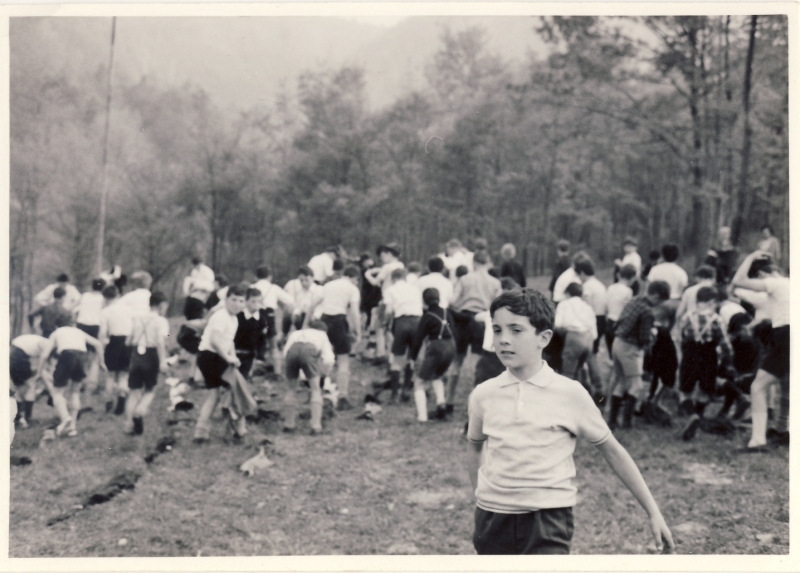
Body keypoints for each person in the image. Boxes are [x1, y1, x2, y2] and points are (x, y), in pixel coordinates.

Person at [466, 288, 673, 555]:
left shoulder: (570, 393)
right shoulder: (483, 394)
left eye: (516, 330)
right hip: (492, 519)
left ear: (543, 338)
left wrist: (653, 511)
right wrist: (481, 496)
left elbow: (613, 451)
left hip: (547, 519)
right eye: (497, 330)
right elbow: (474, 446)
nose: (503, 339)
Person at [731, 251, 790, 451]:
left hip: (786, 335)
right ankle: (783, 430)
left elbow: (738, 281)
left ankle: (757, 440)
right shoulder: (789, 285)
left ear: (762, 275)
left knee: (758, 387)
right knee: (786, 384)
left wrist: (750, 257)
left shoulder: (775, 283)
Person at [607, 281, 671, 430]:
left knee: (622, 381)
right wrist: (652, 335)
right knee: (636, 385)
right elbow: (643, 338)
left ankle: (612, 421)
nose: (658, 305)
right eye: (659, 301)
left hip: (617, 342)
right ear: (656, 296)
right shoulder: (647, 312)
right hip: (630, 348)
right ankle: (626, 423)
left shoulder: (634, 300)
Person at [446, 251, 502, 416]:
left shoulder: (464, 279)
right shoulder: (495, 282)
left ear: (474, 263)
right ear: (488, 263)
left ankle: (449, 401)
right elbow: (498, 304)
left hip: (463, 320)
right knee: (476, 364)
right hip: (482, 321)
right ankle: (474, 404)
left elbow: (452, 300)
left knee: (457, 361)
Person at [676, 286, 734, 440]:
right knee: (705, 391)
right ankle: (698, 417)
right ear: (711, 302)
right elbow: (725, 343)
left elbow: (681, 338)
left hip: (690, 355)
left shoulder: (686, 317)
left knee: (685, 391)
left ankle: (692, 415)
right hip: (709, 356)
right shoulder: (717, 319)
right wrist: (728, 360)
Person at [193, 284, 246, 443]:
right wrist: (228, 358)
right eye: (233, 300)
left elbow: (229, 341)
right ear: (226, 300)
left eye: (241, 301)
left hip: (213, 356)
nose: (237, 304)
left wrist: (233, 356)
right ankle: (237, 431)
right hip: (210, 356)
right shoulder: (221, 316)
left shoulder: (233, 319)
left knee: (215, 395)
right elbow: (215, 341)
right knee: (236, 390)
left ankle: (200, 433)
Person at [307, 262, 362, 411]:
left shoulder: (328, 285)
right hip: (339, 320)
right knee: (343, 359)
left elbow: (312, 305)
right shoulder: (352, 289)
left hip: (324, 320)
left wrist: (306, 324)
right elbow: (355, 312)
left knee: (321, 357)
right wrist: (358, 331)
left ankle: (315, 392)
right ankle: (343, 397)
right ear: (354, 278)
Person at [37, 320, 106, 438]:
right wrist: (102, 362)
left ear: (57, 325)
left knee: (57, 392)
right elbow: (98, 344)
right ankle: (72, 428)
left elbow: (44, 355)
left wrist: (40, 371)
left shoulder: (57, 332)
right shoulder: (78, 331)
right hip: (82, 357)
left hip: (67, 356)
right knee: (75, 392)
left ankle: (65, 417)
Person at [125, 291, 170, 436]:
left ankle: (129, 425)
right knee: (150, 390)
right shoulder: (161, 321)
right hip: (151, 356)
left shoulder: (137, 318)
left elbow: (128, 341)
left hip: (136, 355)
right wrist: (163, 361)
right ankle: (140, 411)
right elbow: (160, 342)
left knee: (134, 392)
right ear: (161, 305)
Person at [404, 288, 453, 422]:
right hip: (451, 346)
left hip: (436, 347)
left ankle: (422, 417)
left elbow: (418, 339)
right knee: (437, 376)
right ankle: (441, 405)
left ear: (424, 301)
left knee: (419, 382)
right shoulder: (446, 312)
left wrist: (412, 358)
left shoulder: (427, 316)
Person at [282, 320, 335, 434]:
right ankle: (316, 426)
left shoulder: (296, 333)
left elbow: (286, 352)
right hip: (309, 350)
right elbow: (329, 359)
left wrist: (300, 374)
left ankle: (289, 424)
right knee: (316, 390)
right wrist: (324, 373)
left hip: (292, 352)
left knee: (291, 389)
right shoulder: (322, 335)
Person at [382, 268, 423, 403]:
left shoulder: (390, 290)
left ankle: (394, 394)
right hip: (417, 322)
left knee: (397, 359)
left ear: (393, 278)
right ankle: (406, 389)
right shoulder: (415, 288)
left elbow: (388, 311)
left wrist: (386, 324)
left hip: (402, 322)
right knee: (412, 357)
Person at [364, 243, 404, 362]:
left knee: (379, 328)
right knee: (389, 328)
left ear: (390, 254)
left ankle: (380, 354)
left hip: (386, 299)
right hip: (398, 300)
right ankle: (391, 354)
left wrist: (367, 274)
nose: (382, 258)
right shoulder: (400, 265)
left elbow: (375, 282)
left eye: (384, 255)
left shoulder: (387, 267)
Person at [575, 258, 607, 401]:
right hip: (601, 319)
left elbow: (586, 307)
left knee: (589, 353)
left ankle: (598, 388)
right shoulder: (599, 284)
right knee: (590, 352)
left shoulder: (587, 286)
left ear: (582, 272)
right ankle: (587, 383)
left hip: (592, 320)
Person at [252, 265, 295, 373]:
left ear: (256, 276)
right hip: (269, 316)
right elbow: (290, 300)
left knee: (253, 343)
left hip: (255, 315)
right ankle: (277, 372)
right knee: (273, 345)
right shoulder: (273, 288)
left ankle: (251, 371)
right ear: (269, 276)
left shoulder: (252, 287)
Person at [715, 312, 758, 421]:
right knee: (727, 375)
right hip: (751, 376)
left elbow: (729, 364)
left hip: (743, 379)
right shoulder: (754, 339)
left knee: (719, 377)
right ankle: (730, 408)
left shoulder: (739, 342)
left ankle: (730, 406)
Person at [554, 283, 597, 388]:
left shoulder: (564, 304)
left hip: (574, 336)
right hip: (588, 338)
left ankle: (565, 393)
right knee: (579, 368)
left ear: (568, 293)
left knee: (568, 372)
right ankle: (587, 389)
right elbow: (594, 333)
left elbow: (558, 324)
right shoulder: (587, 306)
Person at [98, 285, 132, 416]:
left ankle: (108, 402)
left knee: (110, 375)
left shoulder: (104, 312)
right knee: (123, 374)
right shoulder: (128, 309)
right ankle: (121, 403)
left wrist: (101, 347)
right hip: (127, 342)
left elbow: (102, 333)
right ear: (118, 295)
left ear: (105, 298)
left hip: (113, 342)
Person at [10, 333, 49, 428]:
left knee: (19, 389)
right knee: (31, 386)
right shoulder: (47, 343)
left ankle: (17, 418)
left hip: (13, 357)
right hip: (19, 358)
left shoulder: (41, 341)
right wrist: (39, 373)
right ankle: (28, 418)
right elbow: (43, 359)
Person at [234, 288, 269, 379]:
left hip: (250, 354)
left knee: (244, 377)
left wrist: (260, 356)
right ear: (246, 302)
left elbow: (262, 339)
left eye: (259, 301)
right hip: (235, 352)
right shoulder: (238, 317)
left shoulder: (261, 320)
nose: (256, 304)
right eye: (253, 301)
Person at [604, 265, 636, 356]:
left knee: (611, 348)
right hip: (620, 321)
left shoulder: (611, 287)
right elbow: (628, 308)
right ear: (632, 278)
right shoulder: (628, 291)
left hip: (610, 319)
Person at [283, 266, 323, 335]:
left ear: (312, 278)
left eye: (307, 280)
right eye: (301, 280)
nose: (304, 283)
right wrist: (295, 314)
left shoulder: (319, 290)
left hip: (315, 318)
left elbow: (321, 307)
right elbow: (299, 307)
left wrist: (315, 316)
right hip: (303, 318)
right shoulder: (301, 292)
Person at [357, 253, 383, 360]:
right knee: (368, 315)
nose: (368, 262)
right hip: (368, 295)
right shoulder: (363, 271)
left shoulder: (373, 269)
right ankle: (368, 332)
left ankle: (370, 335)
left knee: (371, 316)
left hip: (375, 294)